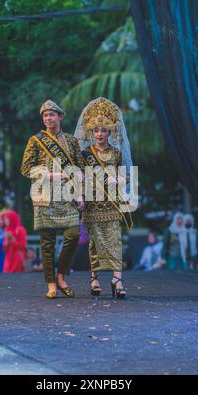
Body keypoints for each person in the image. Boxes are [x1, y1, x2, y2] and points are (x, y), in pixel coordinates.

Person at [21, 100, 85, 298]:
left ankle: (62, 276)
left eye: (52, 115)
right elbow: (25, 169)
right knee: (47, 243)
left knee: (73, 234)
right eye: (45, 115)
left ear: (60, 116)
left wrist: (81, 193)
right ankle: (51, 283)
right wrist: (48, 175)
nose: (48, 118)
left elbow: (81, 170)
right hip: (45, 195)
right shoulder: (36, 140)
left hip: (68, 195)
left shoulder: (72, 141)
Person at [74, 97, 134, 298]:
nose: (100, 134)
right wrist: (80, 196)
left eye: (104, 130)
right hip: (92, 205)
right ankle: (94, 277)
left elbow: (126, 176)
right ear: (91, 132)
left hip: (112, 204)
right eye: (96, 130)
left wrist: (117, 181)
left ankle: (117, 279)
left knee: (115, 240)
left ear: (110, 132)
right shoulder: (85, 154)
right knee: (94, 242)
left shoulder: (116, 154)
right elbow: (79, 178)